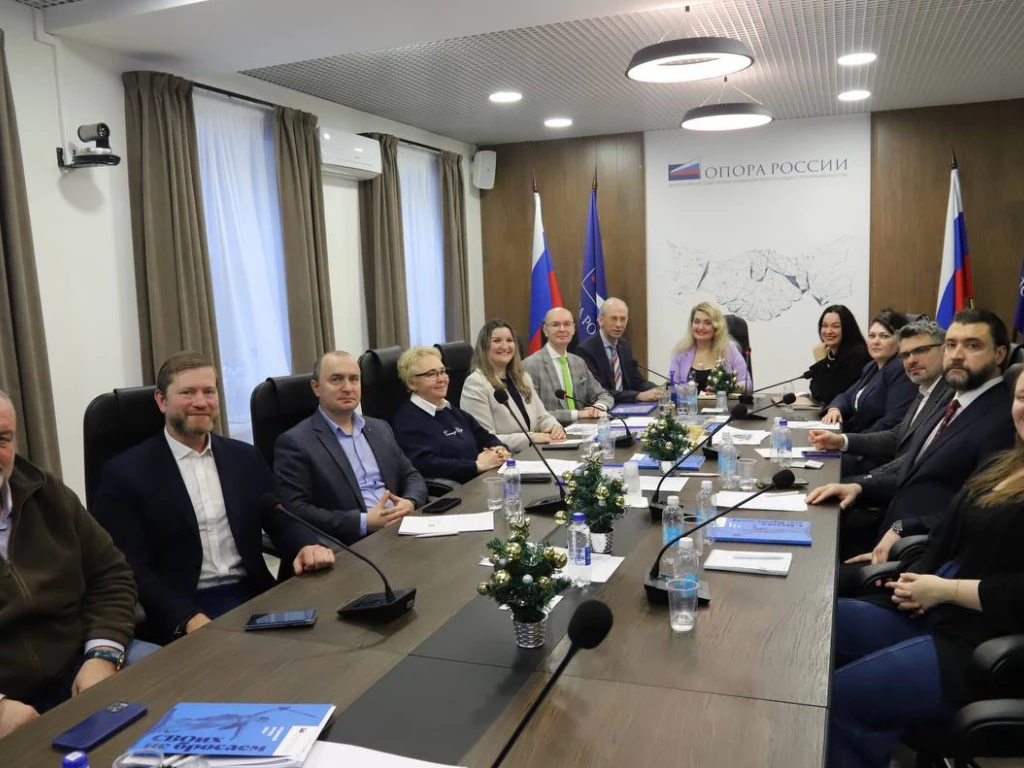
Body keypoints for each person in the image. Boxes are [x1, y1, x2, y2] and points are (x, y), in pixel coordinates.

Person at [827, 364, 1024, 768]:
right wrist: (917, 577)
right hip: (935, 611)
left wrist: (944, 590)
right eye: (1023, 397)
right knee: (816, 624)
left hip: (983, 644)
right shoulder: (1004, 465)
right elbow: (946, 530)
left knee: (841, 700)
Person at [93, 352, 335, 645]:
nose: (200, 402)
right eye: (187, 392)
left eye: (208, 391)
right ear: (161, 400)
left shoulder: (244, 457)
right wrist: (186, 618)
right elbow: (130, 566)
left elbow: (277, 515)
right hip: (183, 607)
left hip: (253, 593)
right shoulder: (125, 473)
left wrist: (306, 545)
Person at [808, 309, 1016, 566]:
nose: (957, 355)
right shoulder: (953, 402)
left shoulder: (1003, 420)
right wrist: (860, 488)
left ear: (999, 354)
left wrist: (901, 529)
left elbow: (975, 513)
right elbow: (916, 472)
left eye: (972, 345)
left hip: (918, 557)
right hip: (890, 534)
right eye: (951, 345)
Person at [0, 389, 140, 732]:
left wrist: (103, 654)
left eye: (2, 439)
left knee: (174, 688)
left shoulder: (46, 493)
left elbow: (111, 575)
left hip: (76, 665)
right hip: (8, 699)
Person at [275, 351, 428, 545]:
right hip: (354, 542)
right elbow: (296, 509)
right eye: (336, 379)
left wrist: (410, 501)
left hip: (403, 526)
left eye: (354, 379)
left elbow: (411, 475)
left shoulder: (379, 428)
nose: (347, 388)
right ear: (316, 387)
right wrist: (363, 522)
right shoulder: (296, 442)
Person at [809, 320, 952, 478]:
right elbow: (897, 435)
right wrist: (841, 440)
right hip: (887, 467)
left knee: (821, 474)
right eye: (905, 355)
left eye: (920, 350)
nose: (911, 360)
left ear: (945, 349)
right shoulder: (922, 387)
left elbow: (915, 452)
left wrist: (868, 479)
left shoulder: (949, 396)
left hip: (893, 472)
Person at [392, 346, 511, 483]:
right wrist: (475, 466)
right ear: (411, 383)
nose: (442, 379)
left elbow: (484, 436)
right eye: (431, 374)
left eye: (443, 371)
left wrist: (499, 449)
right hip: (456, 490)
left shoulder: (449, 409)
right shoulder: (407, 421)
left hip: (482, 479)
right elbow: (425, 464)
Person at [460, 319, 567, 452]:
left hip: (533, 453)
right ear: (484, 347)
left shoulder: (523, 377)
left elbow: (542, 416)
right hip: (504, 458)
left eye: (509, 340)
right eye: (497, 341)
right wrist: (531, 438)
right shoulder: (476, 383)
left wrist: (554, 427)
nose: (505, 346)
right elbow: (484, 437)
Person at [820, 309, 917, 433]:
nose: (876, 341)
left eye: (884, 336)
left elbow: (891, 422)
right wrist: (835, 408)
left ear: (900, 342)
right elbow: (847, 396)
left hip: (874, 441)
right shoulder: (872, 367)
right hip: (857, 436)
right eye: (872, 336)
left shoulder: (900, 369)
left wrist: (848, 440)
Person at [523, 307, 614, 425]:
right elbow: (533, 413)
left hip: (584, 429)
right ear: (545, 330)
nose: (562, 329)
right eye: (556, 325)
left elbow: (604, 395)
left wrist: (599, 407)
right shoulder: (530, 365)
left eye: (567, 324)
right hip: (551, 432)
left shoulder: (578, 362)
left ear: (573, 329)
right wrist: (577, 414)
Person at [576, 298, 660, 404]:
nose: (619, 324)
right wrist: (637, 396)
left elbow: (636, 381)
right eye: (614, 318)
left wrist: (657, 389)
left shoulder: (624, 345)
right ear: (601, 320)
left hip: (627, 406)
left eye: (623, 319)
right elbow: (599, 390)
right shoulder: (586, 349)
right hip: (603, 407)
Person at [667, 301, 752, 394]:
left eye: (707, 323)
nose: (700, 327)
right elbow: (671, 384)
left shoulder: (728, 348)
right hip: (690, 403)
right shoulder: (682, 350)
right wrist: (683, 390)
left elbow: (747, 384)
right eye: (696, 322)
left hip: (721, 403)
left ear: (716, 327)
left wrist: (727, 388)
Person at [806, 304, 870, 406]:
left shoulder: (857, 355)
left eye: (835, 326)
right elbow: (815, 388)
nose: (828, 331)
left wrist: (820, 362)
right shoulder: (831, 353)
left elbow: (831, 397)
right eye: (824, 326)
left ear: (847, 328)